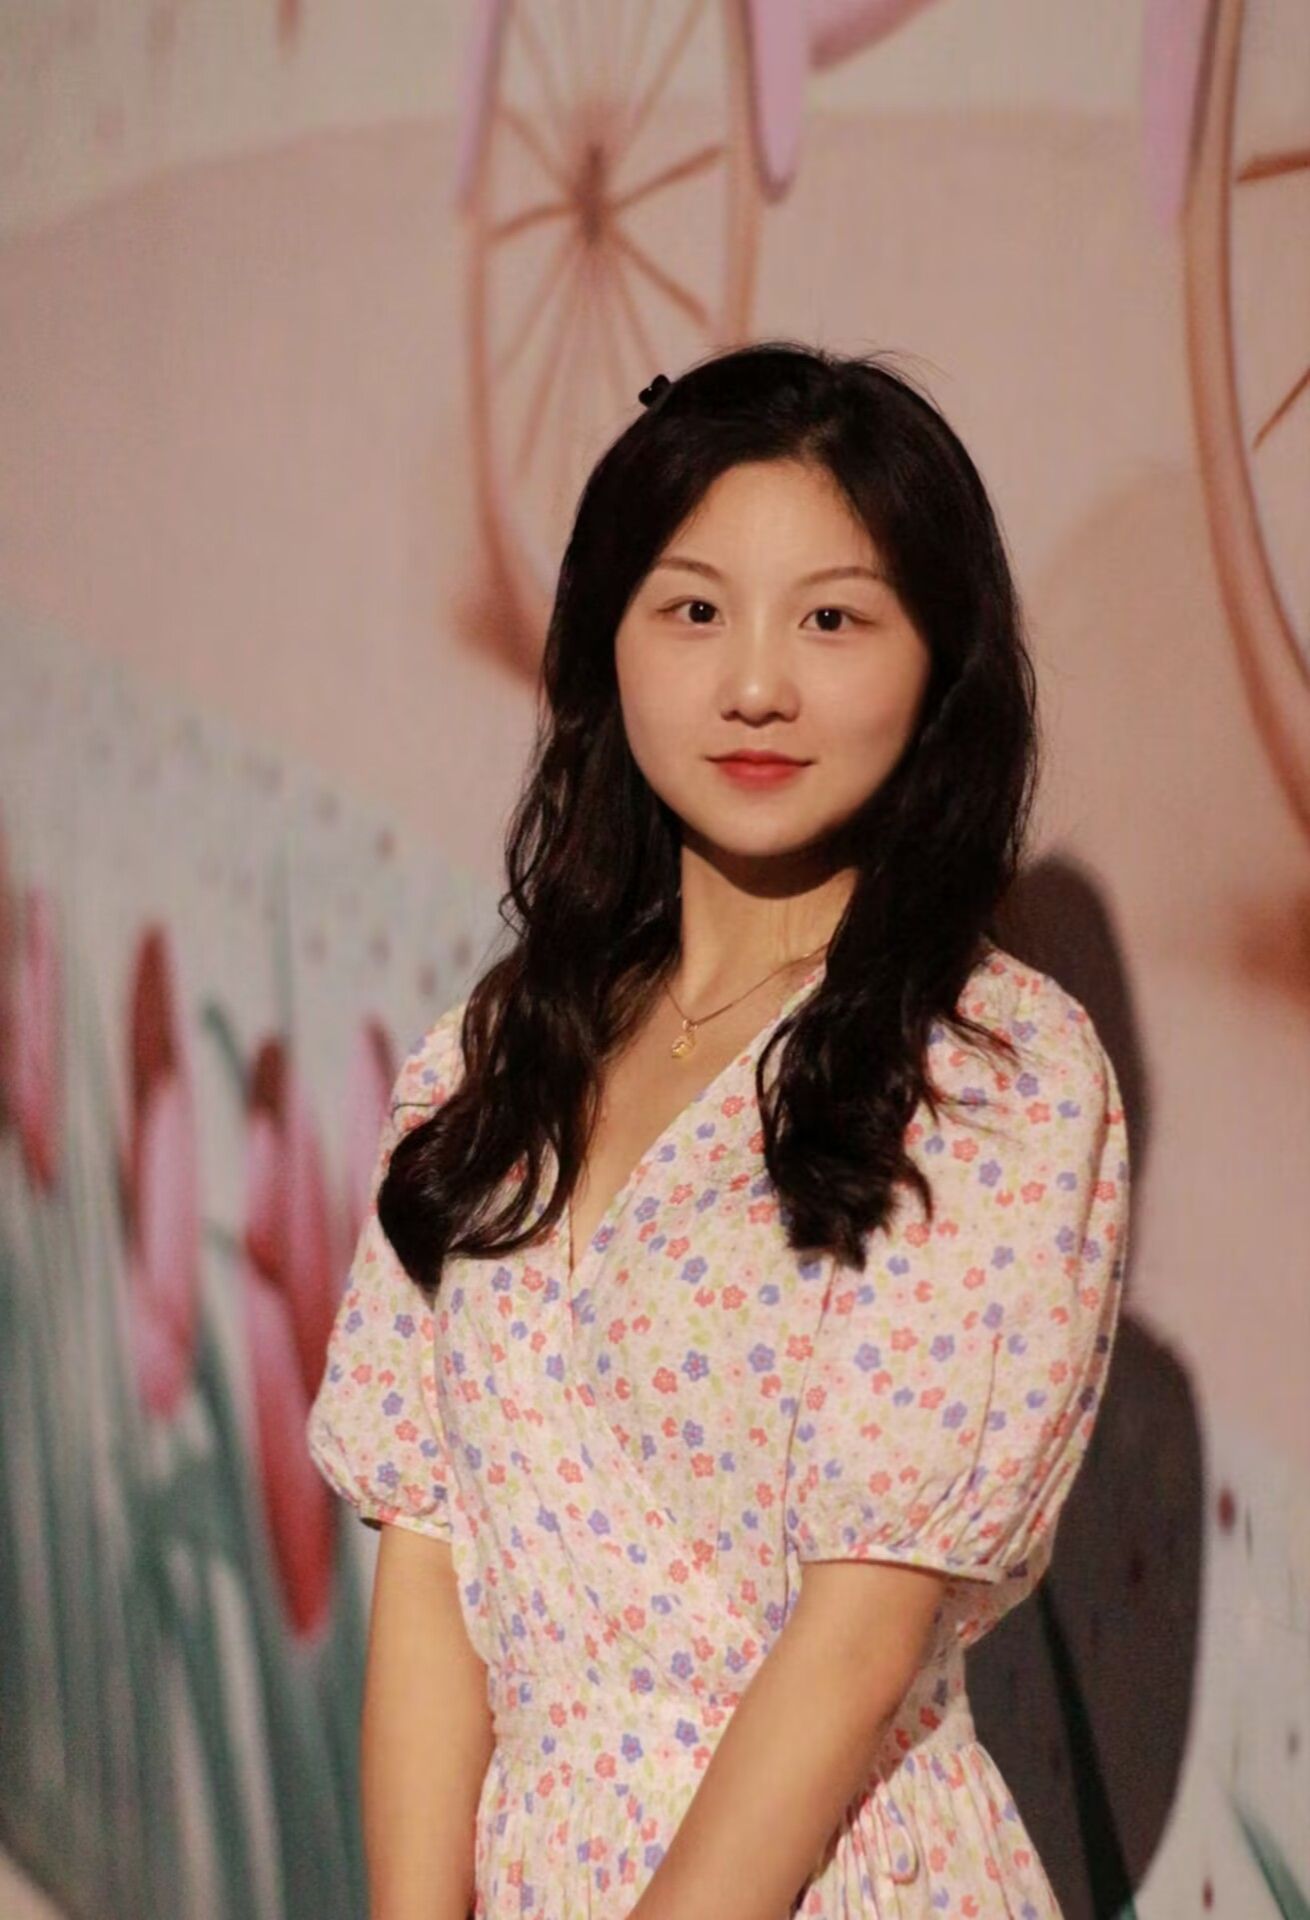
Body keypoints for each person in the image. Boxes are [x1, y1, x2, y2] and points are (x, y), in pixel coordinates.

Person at [306, 340, 1131, 1920]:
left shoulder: (992, 1072)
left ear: (937, 659)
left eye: (832, 619)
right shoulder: (492, 1058)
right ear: (605, 643)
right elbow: (429, 1557)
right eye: (693, 611)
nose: (756, 685)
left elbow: (857, 1639)